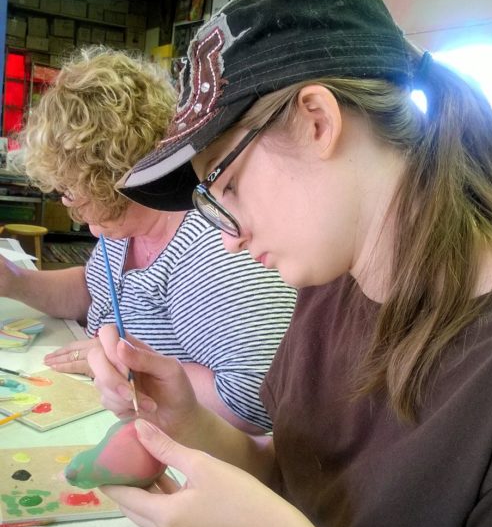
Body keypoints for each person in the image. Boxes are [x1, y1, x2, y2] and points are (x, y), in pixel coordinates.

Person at [87, 0, 492, 527]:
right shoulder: (331, 278)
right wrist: (190, 420)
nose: (230, 234)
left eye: (228, 185)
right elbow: (302, 475)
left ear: (316, 119)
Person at [2, 47, 296, 432]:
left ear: (106, 180)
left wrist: (128, 363)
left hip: (192, 456)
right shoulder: (126, 225)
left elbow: (253, 401)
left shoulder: (213, 249)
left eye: (70, 192)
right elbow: (94, 291)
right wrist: (14, 280)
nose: (68, 205)